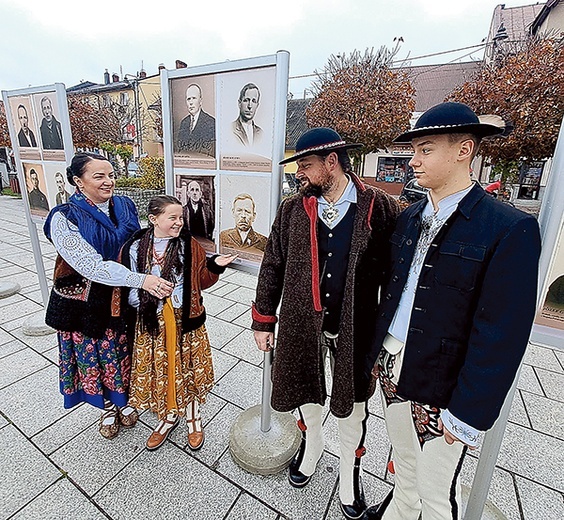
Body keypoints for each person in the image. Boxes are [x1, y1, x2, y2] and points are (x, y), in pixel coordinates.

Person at [363, 102, 541, 520]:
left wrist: (467, 414)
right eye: (414, 150)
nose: (413, 160)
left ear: (464, 149)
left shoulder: (506, 227)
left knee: (438, 491)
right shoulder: (409, 219)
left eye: (425, 149)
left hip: (444, 384)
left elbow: (501, 334)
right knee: (403, 465)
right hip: (392, 364)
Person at [252, 128, 399, 520]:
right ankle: (312, 445)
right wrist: (263, 319)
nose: (300, 172)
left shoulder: (380, 207)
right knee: (304, 388)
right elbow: (273, 265)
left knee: (354, 403)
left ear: (331, 162)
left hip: (357, 328)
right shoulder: (291, 209)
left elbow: (400, 271)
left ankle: (351, 473)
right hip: (303, 324)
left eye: (306, 165)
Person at [43, 152, 173, 439]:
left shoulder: (125, 204)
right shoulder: (64, 217)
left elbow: (141, 243)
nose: (109, 181)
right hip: (87, 300)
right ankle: (105, 408)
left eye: (111, 174)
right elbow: (90, 265)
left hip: (125, 295)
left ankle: (124, 401)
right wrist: (142, 280)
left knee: (125, 348)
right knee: (96, 354)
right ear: (78, 181)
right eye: (99, 176)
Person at [122, 195, 236, 450]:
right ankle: (169, 414)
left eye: (181, 218)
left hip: (185, 319)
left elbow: (201, 280)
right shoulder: (135, 247)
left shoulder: (188, 245)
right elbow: (130, 285)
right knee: (163, 368)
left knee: (189, 367)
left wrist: (215, 266)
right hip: (152, 321)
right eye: (172, 217)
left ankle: (193, 417)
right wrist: (149, 302)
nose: (178, 223)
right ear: (153, 219)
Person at [177, 84, 215, 156]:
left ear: (200, 101)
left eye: (194, 98)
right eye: (188, 99)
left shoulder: (211, 122)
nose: (191, 103)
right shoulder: (184, 123)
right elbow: (180, 149)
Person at [232, 83, 263, 147]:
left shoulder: (261, 133)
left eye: (253, 101)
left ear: (257, 105)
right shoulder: (231, 129)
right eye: (246, 100)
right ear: (239, 103)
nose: (249, 106)